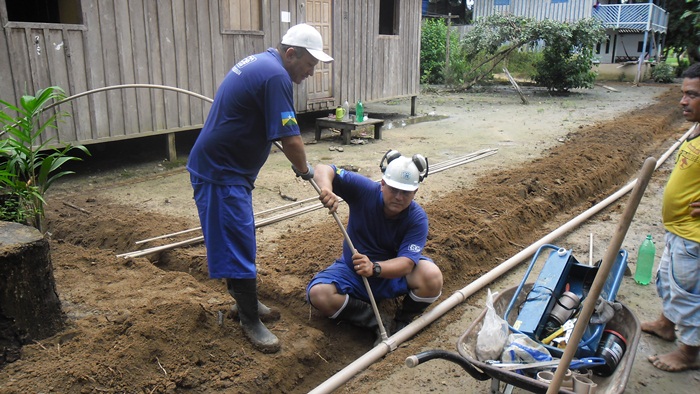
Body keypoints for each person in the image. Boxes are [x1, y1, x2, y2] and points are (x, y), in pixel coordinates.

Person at [186, 23, 333, 353]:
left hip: (228, 171)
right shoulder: (275, 76)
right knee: (237, 241)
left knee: (240, 237)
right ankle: (250, 320)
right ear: (291, 53)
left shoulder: (262, 63)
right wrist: (305, 171)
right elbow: (291, 138)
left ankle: (245, 303)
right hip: (220, 173)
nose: (310, 73)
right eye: (309, 65)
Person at [306, 150, 444, 345]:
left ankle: (402, 321)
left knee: (432, 276)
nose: (398, 197)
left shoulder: (417, 219)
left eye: (405, 192)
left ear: (415, 192)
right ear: (382, 184)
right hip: (353, 271)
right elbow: (324, 169)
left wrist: (374, 268)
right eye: (393, 189)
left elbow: (406, 264)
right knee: (319, 294)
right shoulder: (364, 190)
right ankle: (376, 322)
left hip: (389, 274)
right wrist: (327, 189)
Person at [641, 62, 700, 372]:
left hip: (694, 238)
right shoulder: (696, 128)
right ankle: (666, 323)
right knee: (668, 281)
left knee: (689, 294)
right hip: (677, 229)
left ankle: (688, 353)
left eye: (692, 95)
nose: (682, 101)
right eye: (683, 93)